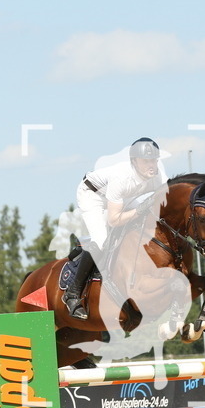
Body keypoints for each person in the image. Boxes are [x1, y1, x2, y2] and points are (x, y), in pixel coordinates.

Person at [63, 137, 168, 319]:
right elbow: (115, 219)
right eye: (146, 161)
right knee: (102, 241)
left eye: (154, 160)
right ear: (134, 162)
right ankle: (72, 293)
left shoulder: (157, 174)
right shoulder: (122, 177)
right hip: (93, 195)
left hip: (120, 198)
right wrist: (139, 211)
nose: (152, 165)